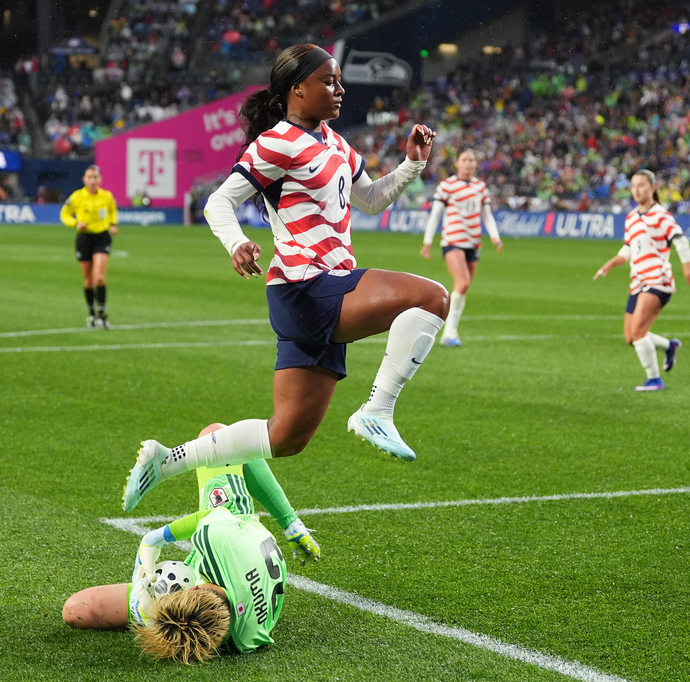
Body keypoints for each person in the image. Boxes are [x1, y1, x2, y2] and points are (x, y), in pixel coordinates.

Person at [122, 44, 448, 513]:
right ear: (297, 89)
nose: (340, 89)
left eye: (338, 81)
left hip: (322, 287)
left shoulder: (334, 142)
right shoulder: (278, 141)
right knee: (431, 298)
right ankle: (376, 411)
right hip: (306, 288)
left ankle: (166, 460)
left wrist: (412, 164)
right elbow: (218, 202)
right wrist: (236, 243)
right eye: (329, 81)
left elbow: (372, 200)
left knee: (286, 436)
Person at [64, 423, 320, 663]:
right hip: (239, 529)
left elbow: (197, 635)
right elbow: (212, 516)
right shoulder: (218, 537)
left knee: (76, 610)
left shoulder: (239, 639)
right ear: (193, 587)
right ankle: (168, 460)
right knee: (217, 433)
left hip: (242, 568)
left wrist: (145, 611)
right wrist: (154, 538)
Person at [593, 169, 690, 391]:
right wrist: (610, 264)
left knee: (638, 332)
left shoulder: (661, 215)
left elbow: (680, 241)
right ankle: (669, 346)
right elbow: (628, 250)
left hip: (657, 279)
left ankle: (654, 380)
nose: (636, 190)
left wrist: (688, 272)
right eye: (633, 186)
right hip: (638, 281)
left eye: (641, 185)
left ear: (652, 188)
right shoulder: (632, 217)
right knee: (630, 337)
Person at [419, 149, 502, 346]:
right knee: (462, 282)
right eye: (464, 160)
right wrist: (427, 242)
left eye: (471, 160)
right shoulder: (447, 186)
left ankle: (450, 333)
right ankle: (448, 332)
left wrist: (495, 237)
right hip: (453, 240)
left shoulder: (480, 187)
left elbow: (487, 214)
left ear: (475, 164)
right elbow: (436, 214)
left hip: (473, 243)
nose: (468, 163)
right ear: (457, 163)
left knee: (463, 288)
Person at [60, 165, 118, 329]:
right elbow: (64, 214)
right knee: (88, 280)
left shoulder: (107, 196)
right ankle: (92, 315)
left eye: (95, 177)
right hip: (84, 238)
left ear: (100, 179)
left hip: (102, 237)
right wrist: (75, 223)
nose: (92, 180)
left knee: (99, 276)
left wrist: (113, 223)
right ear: (84, 179)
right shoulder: (77, 197)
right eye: (89, 177)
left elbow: (113, 210)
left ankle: (102, 315)